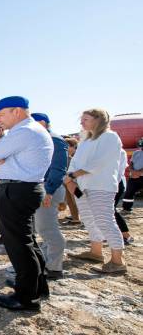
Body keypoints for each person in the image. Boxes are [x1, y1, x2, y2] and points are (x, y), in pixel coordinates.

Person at [0, 96, 53, 312]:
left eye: (0, 114)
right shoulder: (28, 132)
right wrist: (0, 159)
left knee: (18, 245)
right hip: (23, 189)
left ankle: (25, 298)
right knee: (27, 241)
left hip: (15, 191)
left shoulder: (24, 132)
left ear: (17, 111)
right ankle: (37, 287)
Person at [66, 109, 126, 274]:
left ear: (98, 120)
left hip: (101, 186)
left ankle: (117, 261)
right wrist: (69, 180)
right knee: (88, 218)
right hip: (81, 187)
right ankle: (96, 251)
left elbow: (98, 162)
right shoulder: (86, 140)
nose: (81, 122)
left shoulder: (110, 137)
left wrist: (72, 175)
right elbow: (75, 161)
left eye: (85, 119)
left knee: (105, 220)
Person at [31, 113, 68, 280]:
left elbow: (58, 169)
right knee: (41, 228)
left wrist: (50, 191)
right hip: (41, 188)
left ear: (42, 123)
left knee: (47, 228)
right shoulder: (42, 140)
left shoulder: (55, 140)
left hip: (48, 189)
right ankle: (47, 262)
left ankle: (54, 268)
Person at [115, 148, 134, 245]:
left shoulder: (119, 151)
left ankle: (126, 235)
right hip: (112, 184)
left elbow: (118, 171)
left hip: (115, 184)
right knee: (109, 210)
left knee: (110, 210)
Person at [60, 137, 81, 225]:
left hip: (76, 183)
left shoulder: (76, 158)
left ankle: (82, 218)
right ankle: (75, 218)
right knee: (70, 201)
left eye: (67, 146)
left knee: (78, 200)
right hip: (66, 183)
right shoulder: (65, 157)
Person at [122, 137, 143, 212]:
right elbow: (131, 163)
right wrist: (132, 171)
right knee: (129, 193)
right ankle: (126, 208)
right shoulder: (136, 153)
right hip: (133, 177)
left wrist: (137, 173)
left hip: (139, 176)